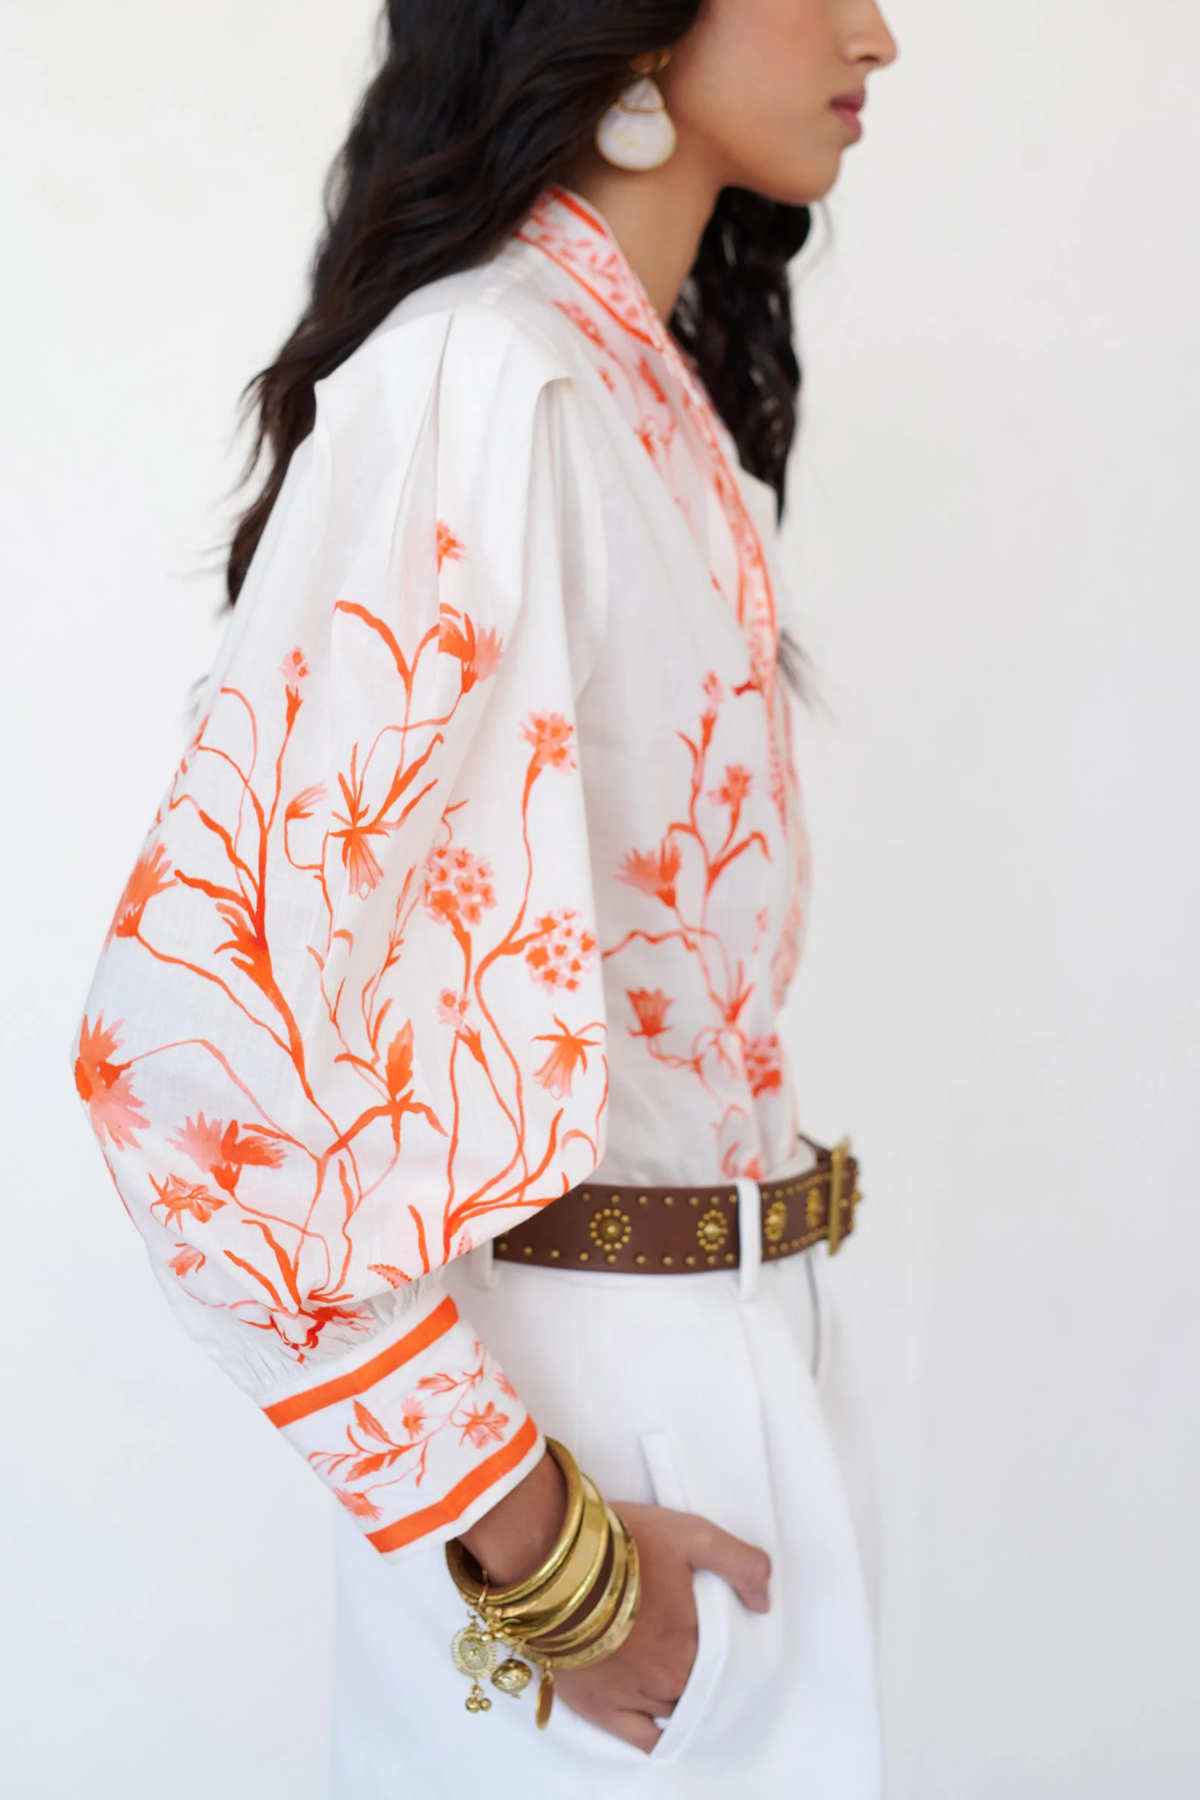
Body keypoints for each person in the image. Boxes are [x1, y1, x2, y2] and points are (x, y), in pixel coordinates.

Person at [73, 0, 899, 1793]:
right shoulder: (487, 373)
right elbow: (183, 1039)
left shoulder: (637, 394)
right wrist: (541, 1552)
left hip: (740, 1382)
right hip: (592, 1430)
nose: (879, 33)